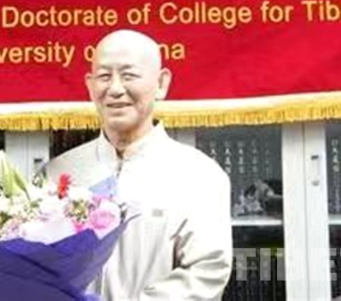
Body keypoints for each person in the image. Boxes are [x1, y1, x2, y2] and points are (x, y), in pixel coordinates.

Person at [44, 29, 232, 301]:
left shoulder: (200, 175)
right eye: (104, 76)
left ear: (161, 83)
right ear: (90, 85)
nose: (115, 89)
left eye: (129, 75)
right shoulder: (58, 173)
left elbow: (206, 273)